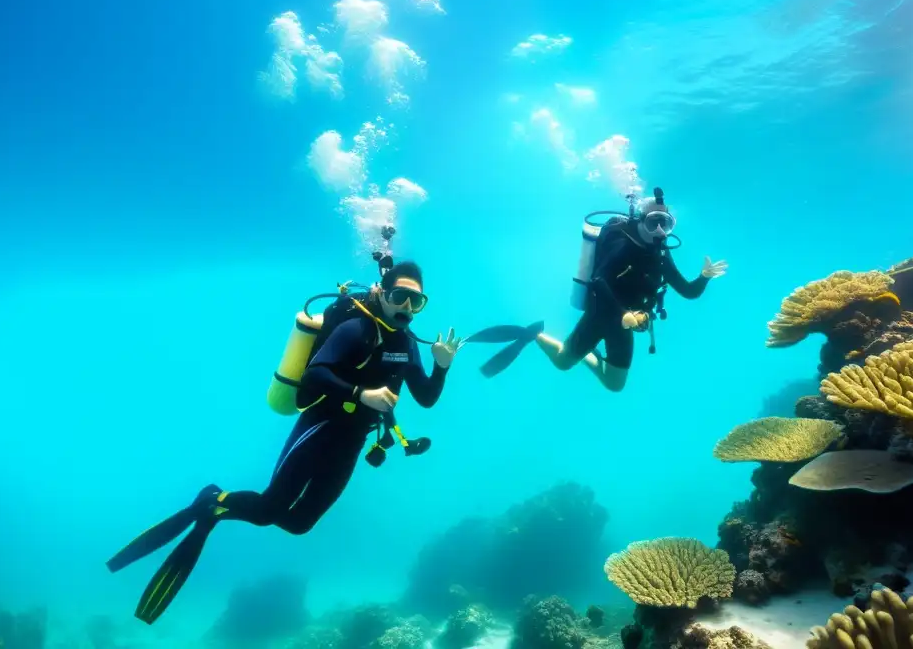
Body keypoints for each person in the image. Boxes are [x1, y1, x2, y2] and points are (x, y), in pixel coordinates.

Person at [106, 260, 463, 625]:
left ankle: (215, 506)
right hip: (319, 427)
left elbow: (426, 397)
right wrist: (361, 393)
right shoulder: (357, 329)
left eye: (415, 302)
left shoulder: (406, 344)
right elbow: (316, 372)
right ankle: (213, 502)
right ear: (383, 294)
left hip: (352, 441)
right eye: (400, 296)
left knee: (300, 523)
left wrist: (442, 366)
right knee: (267, 512)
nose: (406, 307)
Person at [471, 187, 727, 391]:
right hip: (601, 315)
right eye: (653, 223)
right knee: (562, 363)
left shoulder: (661, 255)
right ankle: (532, 334)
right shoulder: (623, 244)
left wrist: (704, 277)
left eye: (666, 224)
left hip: (628, 321)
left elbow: (688, 291)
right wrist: (623, 313)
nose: (660, 231)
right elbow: (599, 280)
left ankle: (585, 355)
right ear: (640, 221)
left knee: (615, 385)